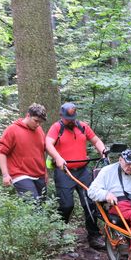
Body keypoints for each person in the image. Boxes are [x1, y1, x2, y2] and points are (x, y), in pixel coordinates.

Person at [45, 102, 107, 249]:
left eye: (72, 118)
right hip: (64, 172)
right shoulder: (56, 128)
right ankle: (59, 235)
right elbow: (48, 144)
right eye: (68, 118)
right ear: (61, 116)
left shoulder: (82, 126)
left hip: (83, 171)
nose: (70, 121)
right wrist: (58, 157)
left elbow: (96, 140)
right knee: (66, 205)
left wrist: (103, 151)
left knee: (90, 203)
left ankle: (94, 236)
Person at [0, 103, 48, 201]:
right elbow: (2, 152)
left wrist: (45, 172)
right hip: (20, 174)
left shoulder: (39, 130)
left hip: (39, 174)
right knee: (33, 204)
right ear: (28, 115)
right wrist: (5, 175)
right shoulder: (12, 129)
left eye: (40, 122)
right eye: (36, 121)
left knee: (42, 206)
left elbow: (41, 152)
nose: (37, 124)